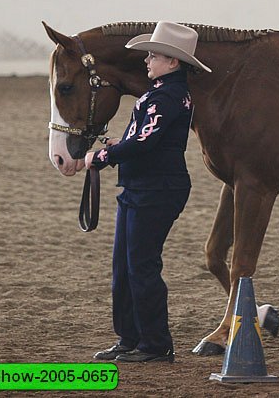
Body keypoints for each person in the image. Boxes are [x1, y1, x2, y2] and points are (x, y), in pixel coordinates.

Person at [84, 21, 211, 363]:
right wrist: (117, 145)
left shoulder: (166, 97)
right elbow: (141, 139)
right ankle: (130, 337)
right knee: (125, 266)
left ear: (173, 62)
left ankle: (155, 344)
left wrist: (103, 156)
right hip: (143, 188)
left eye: (154, 55)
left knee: (141, 265)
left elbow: (145, 140)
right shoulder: (162, 95)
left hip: (156, 189)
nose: (147, 60)